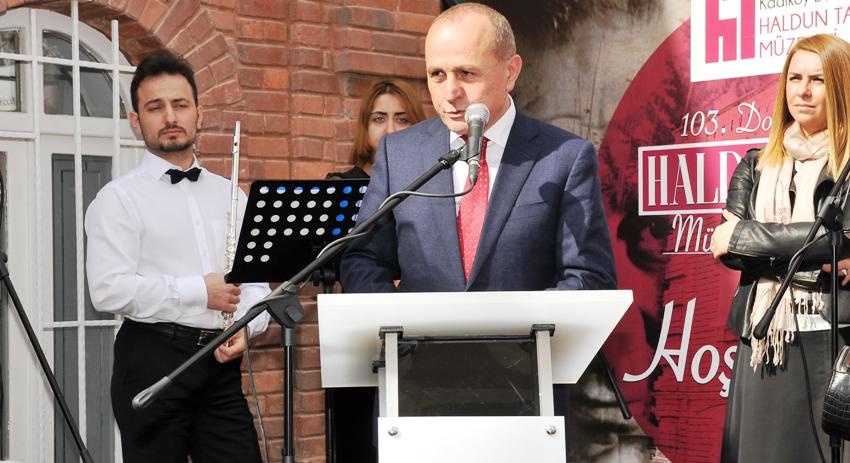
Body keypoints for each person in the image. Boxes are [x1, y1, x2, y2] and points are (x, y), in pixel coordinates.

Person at [339, 2, 617, 456]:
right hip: (417, 389)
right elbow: (362, 258)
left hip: (526, 392)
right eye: (436, 75)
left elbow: (589, 276)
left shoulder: (564, 157)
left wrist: (513, 340)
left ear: (511, 71)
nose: (450, 93)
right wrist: (402, 330)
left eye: (466, 73)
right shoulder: (400, 154)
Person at [85, 50, 271, 463]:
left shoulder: (232, 195)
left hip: (219, 367)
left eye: (180, 105)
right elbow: (108, 290)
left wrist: (247, 328)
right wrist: (199, 291)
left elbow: (258, 287)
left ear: (198, 115)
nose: (170, 116)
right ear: (136, 121)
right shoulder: (118, 199)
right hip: (151, 360)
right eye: (155, 107)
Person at [711, 34, 850, 462]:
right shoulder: (754, 164)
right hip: (763, 337)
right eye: (794, 78)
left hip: (834, 338)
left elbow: (838, 238)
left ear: (840, 88)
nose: (802, 91)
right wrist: (820, 252)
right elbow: (728, 249)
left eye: (817, 80)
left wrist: (747, 235)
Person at [328, 79, 426, 179]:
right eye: (379, 119)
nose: (390, 130)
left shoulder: (430, 183)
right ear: (366, 126)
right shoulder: (340, 184)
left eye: (402, 120)